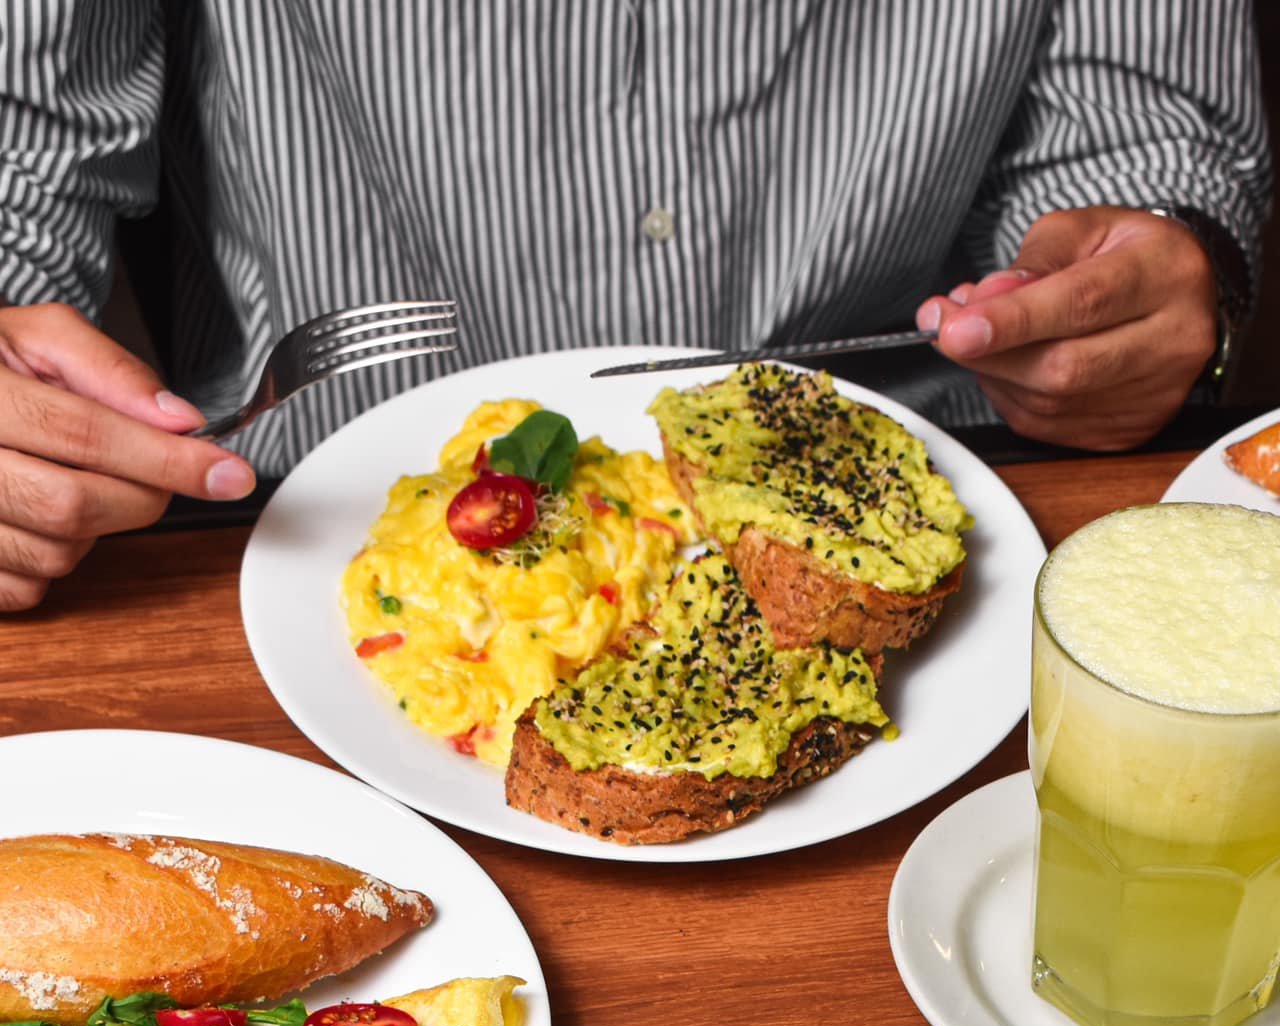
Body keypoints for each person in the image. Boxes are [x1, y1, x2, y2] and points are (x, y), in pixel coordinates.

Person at [0, 0, 1267, 613]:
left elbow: (1131, 131)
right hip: (297, 536)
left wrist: (1136, 282)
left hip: (943, 516)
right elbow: (25, 147)